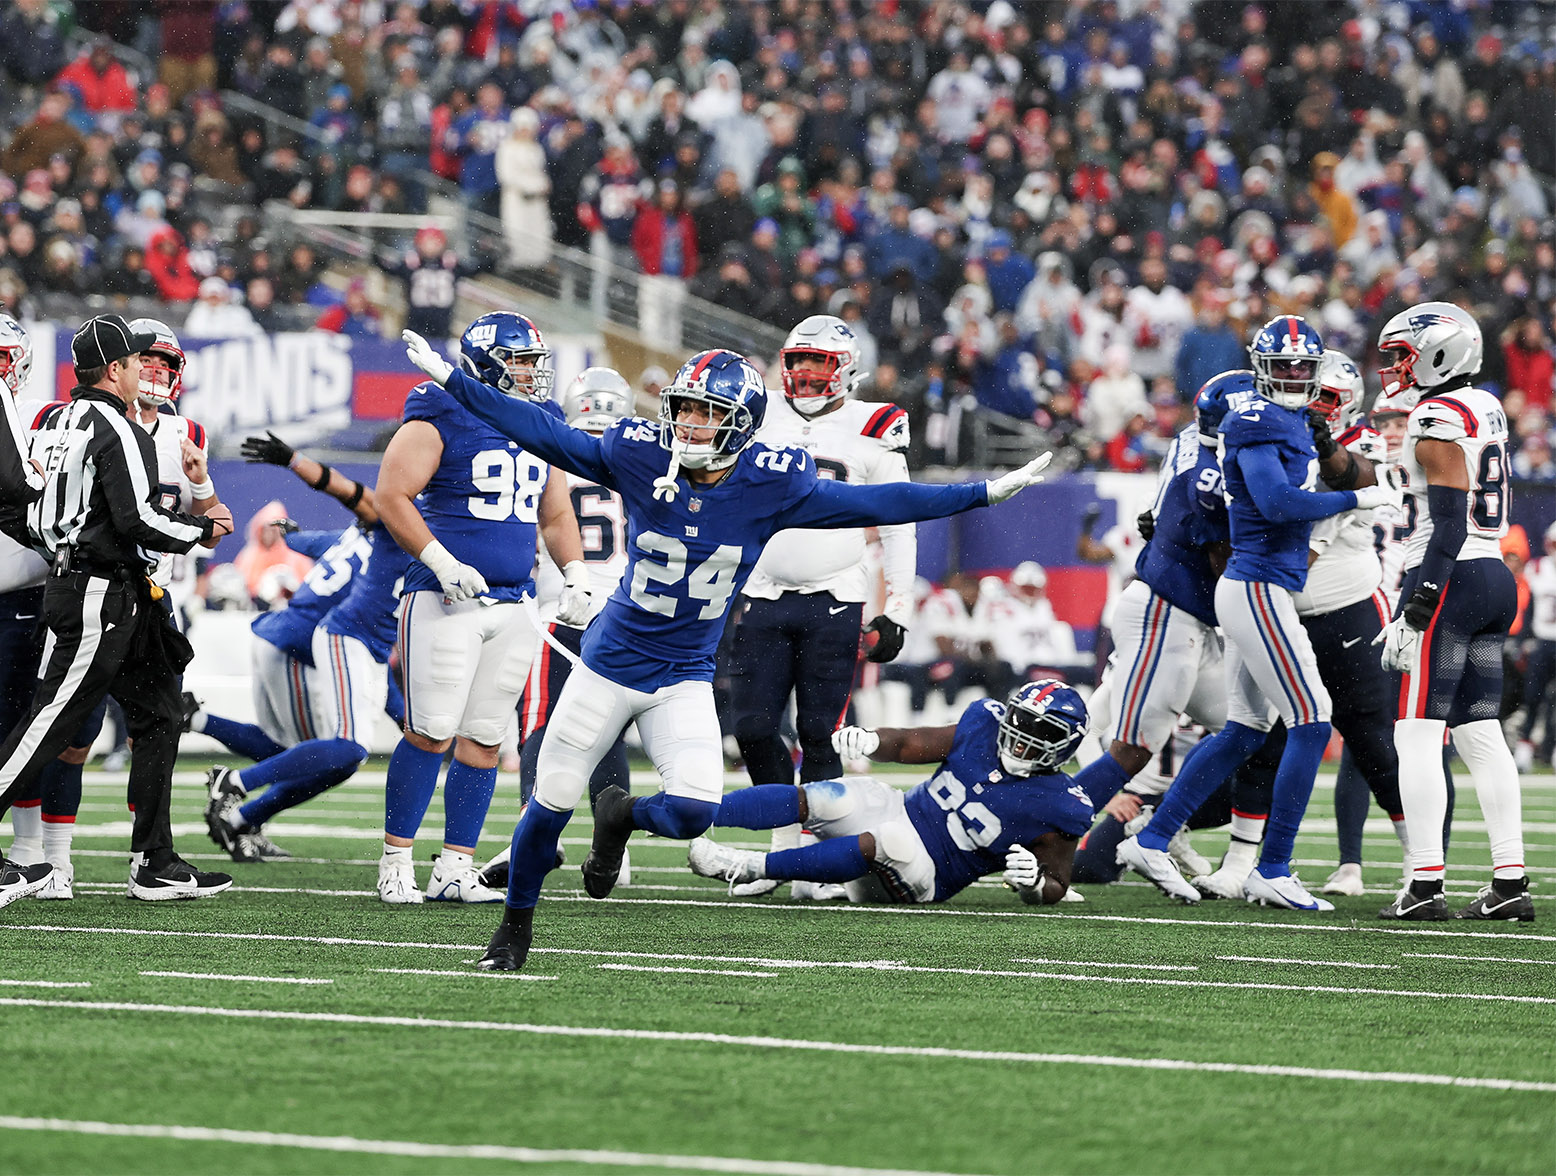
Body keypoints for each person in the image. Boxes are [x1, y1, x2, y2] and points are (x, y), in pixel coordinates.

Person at [399, 332, 1057, 970]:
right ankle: (513, 929)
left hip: (684, 675)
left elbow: (879, 499)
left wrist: (980, 492)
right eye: (681, 409)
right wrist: (458, 383)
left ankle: (622, 816)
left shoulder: (772, 483)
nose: (685, 425)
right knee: (549, 803)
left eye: (705, 414)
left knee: (690, 814)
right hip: (609, 664)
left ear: (741, 426)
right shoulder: (638, 453)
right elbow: (548, 435)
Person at [1118, 316, 1400, 912]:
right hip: (1259, 585)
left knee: (1245, 729)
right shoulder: (1255, 418)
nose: (1296, 376)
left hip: (1258, 586)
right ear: (1261, 369)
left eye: (1305, 366)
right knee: (1314, 719)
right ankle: (1272, 867)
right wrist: (1358, 497)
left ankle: (1153, 837)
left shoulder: (1289, 419)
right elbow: (1275, 503)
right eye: (1285, 367)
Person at [0, 315, 233, 907]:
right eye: (135, 363)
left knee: (158, 712)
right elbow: (138, 520)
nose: (142, 373)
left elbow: (33, 508)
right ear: (115, 369)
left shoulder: (67, 419)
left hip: (122, 590)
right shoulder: (112, 425)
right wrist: (201, 529)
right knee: (52, 722)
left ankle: (153, 859)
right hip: (99, 589)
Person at [375, 312, 588, 905]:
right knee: (431, 730)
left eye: (532, 363)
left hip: (514, 601)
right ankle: (396, 859)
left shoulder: (541, 418)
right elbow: (391, 493)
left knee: (487, 738)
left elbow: (555, 512)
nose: (529, 373)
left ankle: (455, 867)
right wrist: (441, 561)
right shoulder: (441, 405)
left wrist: (575, 572)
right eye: (519, 361)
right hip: (443, 597)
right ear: (489, 361)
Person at [724, 315, 916, 896]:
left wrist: (897, 606)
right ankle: (787, 846)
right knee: (753, 727)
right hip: (761, 593)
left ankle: (821, 861)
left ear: (847, 369)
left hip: (837, 596)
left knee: (818, 733)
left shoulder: (874, 425)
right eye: (797, 360)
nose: (805, 373)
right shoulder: (756, 415)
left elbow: (898, 520)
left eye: (820, 362)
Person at [1373, 302, 1531, 921]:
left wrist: (1416, 608)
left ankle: (1425, 883)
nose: (1396, 368)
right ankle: (1510, 881)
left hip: (1452, 578)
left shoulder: (1435, 413)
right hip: (1492, 575)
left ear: (1440, 352)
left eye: (1404, 355)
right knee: (1480, 733)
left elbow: (1443, 524)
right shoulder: (1484, 404)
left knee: (1415, 733)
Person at [198, 432, 410, 863]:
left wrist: (291, 537)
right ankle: (236, 793)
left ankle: (238, 806)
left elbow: (318, 541)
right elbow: (369, 627)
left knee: (325, 754)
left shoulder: (367, 533)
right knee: (324, 757)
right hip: (302, 642)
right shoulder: (401, 535)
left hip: (300, 639)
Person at [690, 681, 1091, 904]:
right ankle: (695, 807)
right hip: (904, 809)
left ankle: (750, 866)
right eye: (1022, 720)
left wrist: (1036, 885)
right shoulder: (984, 724)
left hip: (928, 872)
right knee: (838, 794)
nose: (1023, 737)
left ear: (1067, 745)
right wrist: (871, 739)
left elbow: (1058, 879)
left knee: (892, 841)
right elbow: (908, 744)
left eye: (1042, 732)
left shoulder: (1062, 803)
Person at [480, 368, 636, 891]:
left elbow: (531, 529)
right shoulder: (641, 460)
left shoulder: (550, 453)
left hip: (562, 608)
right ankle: (612, 843)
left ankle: (534, 831)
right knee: (607, 727)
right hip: (622, 611)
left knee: (541, 721)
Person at [1065, 372, 1233, 823]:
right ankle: (1059, 821)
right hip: (1154, 616)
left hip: (1188, 621)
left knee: (1247, 730)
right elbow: (1091, 550)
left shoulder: (1186, 454)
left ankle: (1164, 829)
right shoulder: (1192, 488)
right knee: (1131, 740)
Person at [1293, 352, 1410, 899]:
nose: (1314, 406)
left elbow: (1323, 514)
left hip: (1356, 608)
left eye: (1326, 397)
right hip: (1284, 611)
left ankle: (1419, 856)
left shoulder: (1364, 446)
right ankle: (1253, 858)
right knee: (1263, 737)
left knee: (1373, 742)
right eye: (1307, 393)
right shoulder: (1274, 434)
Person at [1514, 520, 1556, 773]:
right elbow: (1528, 610)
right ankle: (1525, 750)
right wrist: (1523, 641)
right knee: (1532, 698)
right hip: (1542, 642)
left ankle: (1550, 750)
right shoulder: (1537, 568)